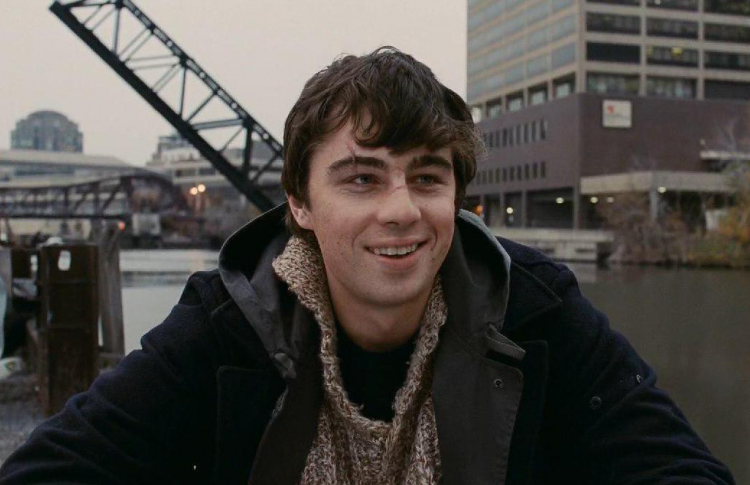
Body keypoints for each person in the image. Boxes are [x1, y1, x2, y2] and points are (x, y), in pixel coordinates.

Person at [0, 47, 735, 485]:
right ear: (299, 202)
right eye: (361, 178)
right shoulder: (228, 324)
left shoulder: (535, 312)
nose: (401, 209)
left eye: (427, 177)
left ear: (456, 198)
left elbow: (682, 469)